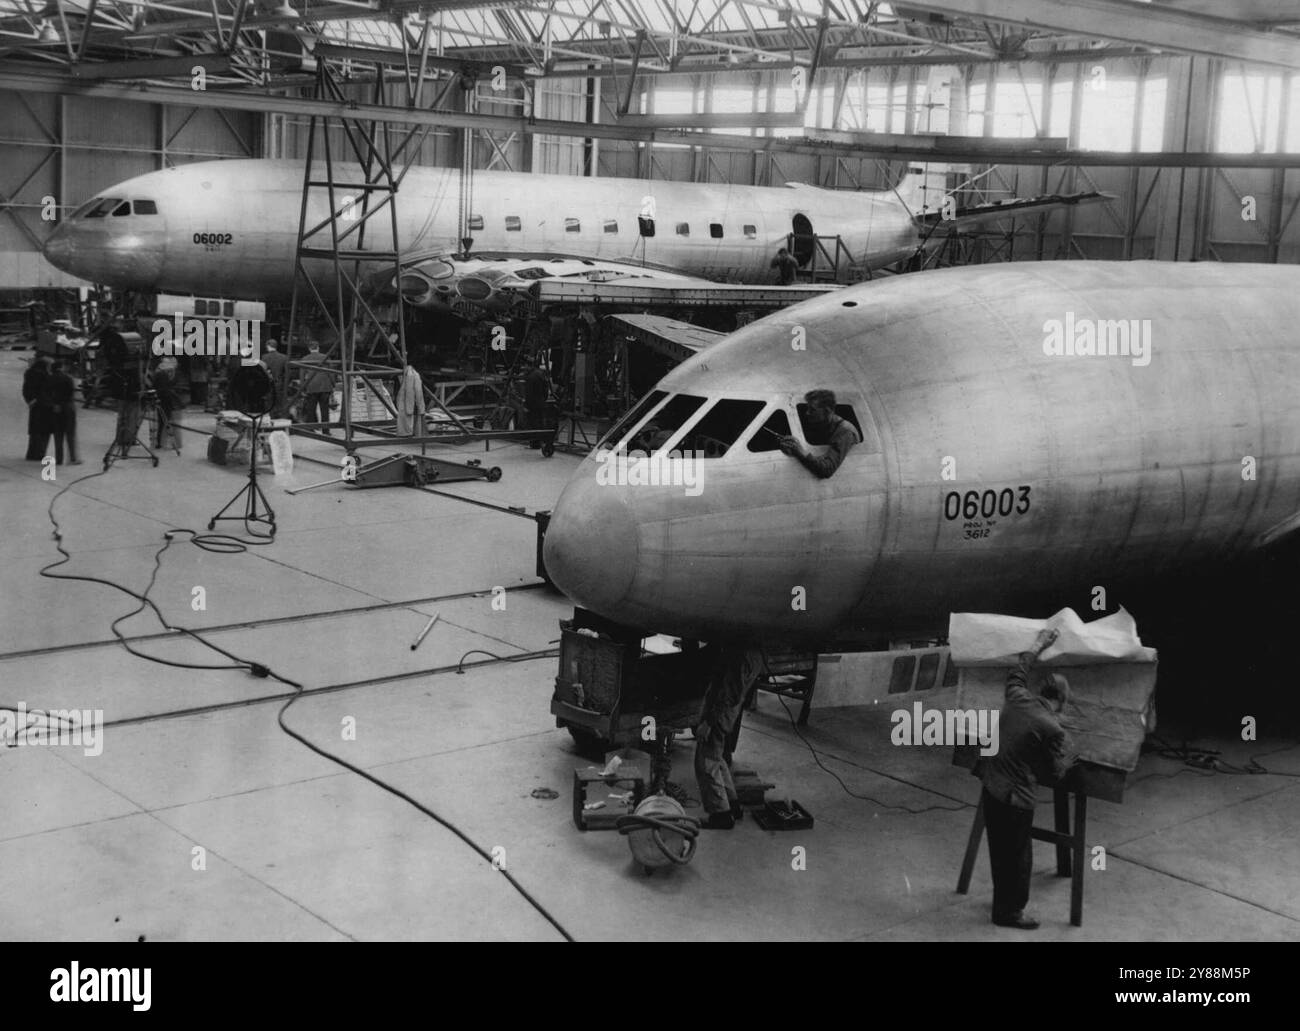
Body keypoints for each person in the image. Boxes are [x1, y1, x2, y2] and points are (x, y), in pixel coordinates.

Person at [978, 626, 1078, 930]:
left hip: (990, 784)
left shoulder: (1017, 696)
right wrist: (1069, 758)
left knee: (999, 851)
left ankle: (1000, 905)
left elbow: (1019, 669)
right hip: (1015, 797)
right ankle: (1010, 913)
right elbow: (1053, 773)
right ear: (1060, 700)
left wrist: (1039, 644)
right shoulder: (1053, 728)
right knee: (1019, 858)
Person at [694, 646, 764, 830]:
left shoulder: (739, 653)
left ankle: (721, 815)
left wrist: (708, 722)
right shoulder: (755, 652)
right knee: (717, 759)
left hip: (719, 715)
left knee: (706, 762)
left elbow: (727, 694)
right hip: (728, 714)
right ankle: (732, 805)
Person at [778, 389, 861, 478]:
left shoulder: (845, 432)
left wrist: (801, 452)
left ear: (827, 411)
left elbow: (827, 470)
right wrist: (792, 447)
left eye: (812, 410)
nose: (807, 413)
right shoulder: (822, 425)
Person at [46, 359, 81, 465]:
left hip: (56, 408)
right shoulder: (68, 378)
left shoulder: (49, 379)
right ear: (61, 367)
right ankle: (73, 458)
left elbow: (46, 393)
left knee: (58, 434)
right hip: (68, 407)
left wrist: (54, 404)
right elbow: (71, 392)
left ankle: (59, 459)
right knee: (70, 434)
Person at [298, 341, 334, 434]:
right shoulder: (325, 357)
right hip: (325, 386)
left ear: (309, 349)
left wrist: (302, 388)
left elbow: (302, 375)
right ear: (318, 347)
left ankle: (311, 429)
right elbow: (331, 373)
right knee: (325, 410)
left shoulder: (304, 359)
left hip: (311, 387)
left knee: (311, 410)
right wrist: (333, 384)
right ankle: (326, 430)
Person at [23, 355, 52, 461]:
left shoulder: (29, 373)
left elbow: (26, 389)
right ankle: (40, 453)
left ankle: (31, 453)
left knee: (34, 431)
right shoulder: (46, 377)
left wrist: (30, 400)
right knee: (44, 431)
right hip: (44, 406)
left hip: (34, 405)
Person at [522, 355, 549, 449]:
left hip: (532, 405)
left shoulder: (530, 377)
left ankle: (535, 444)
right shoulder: (541, 374)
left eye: (525, 366)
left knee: (533, 424)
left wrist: (526, 405)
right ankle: (542, 442)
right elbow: (546, 388)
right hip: (541, 402)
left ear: (528, 365)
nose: (524, 368)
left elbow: (529, 393)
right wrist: (543, 399)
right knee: (541, 423)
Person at [261, 339, 290, 418]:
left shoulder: (264, 357)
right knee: (278, 404)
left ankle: (269, 420)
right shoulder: (284, 357)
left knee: (269, 404)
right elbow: (287, 373)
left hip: (268, 384)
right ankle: (278, 421)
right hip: (279, 384)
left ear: (268, 346)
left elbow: (262, 372)